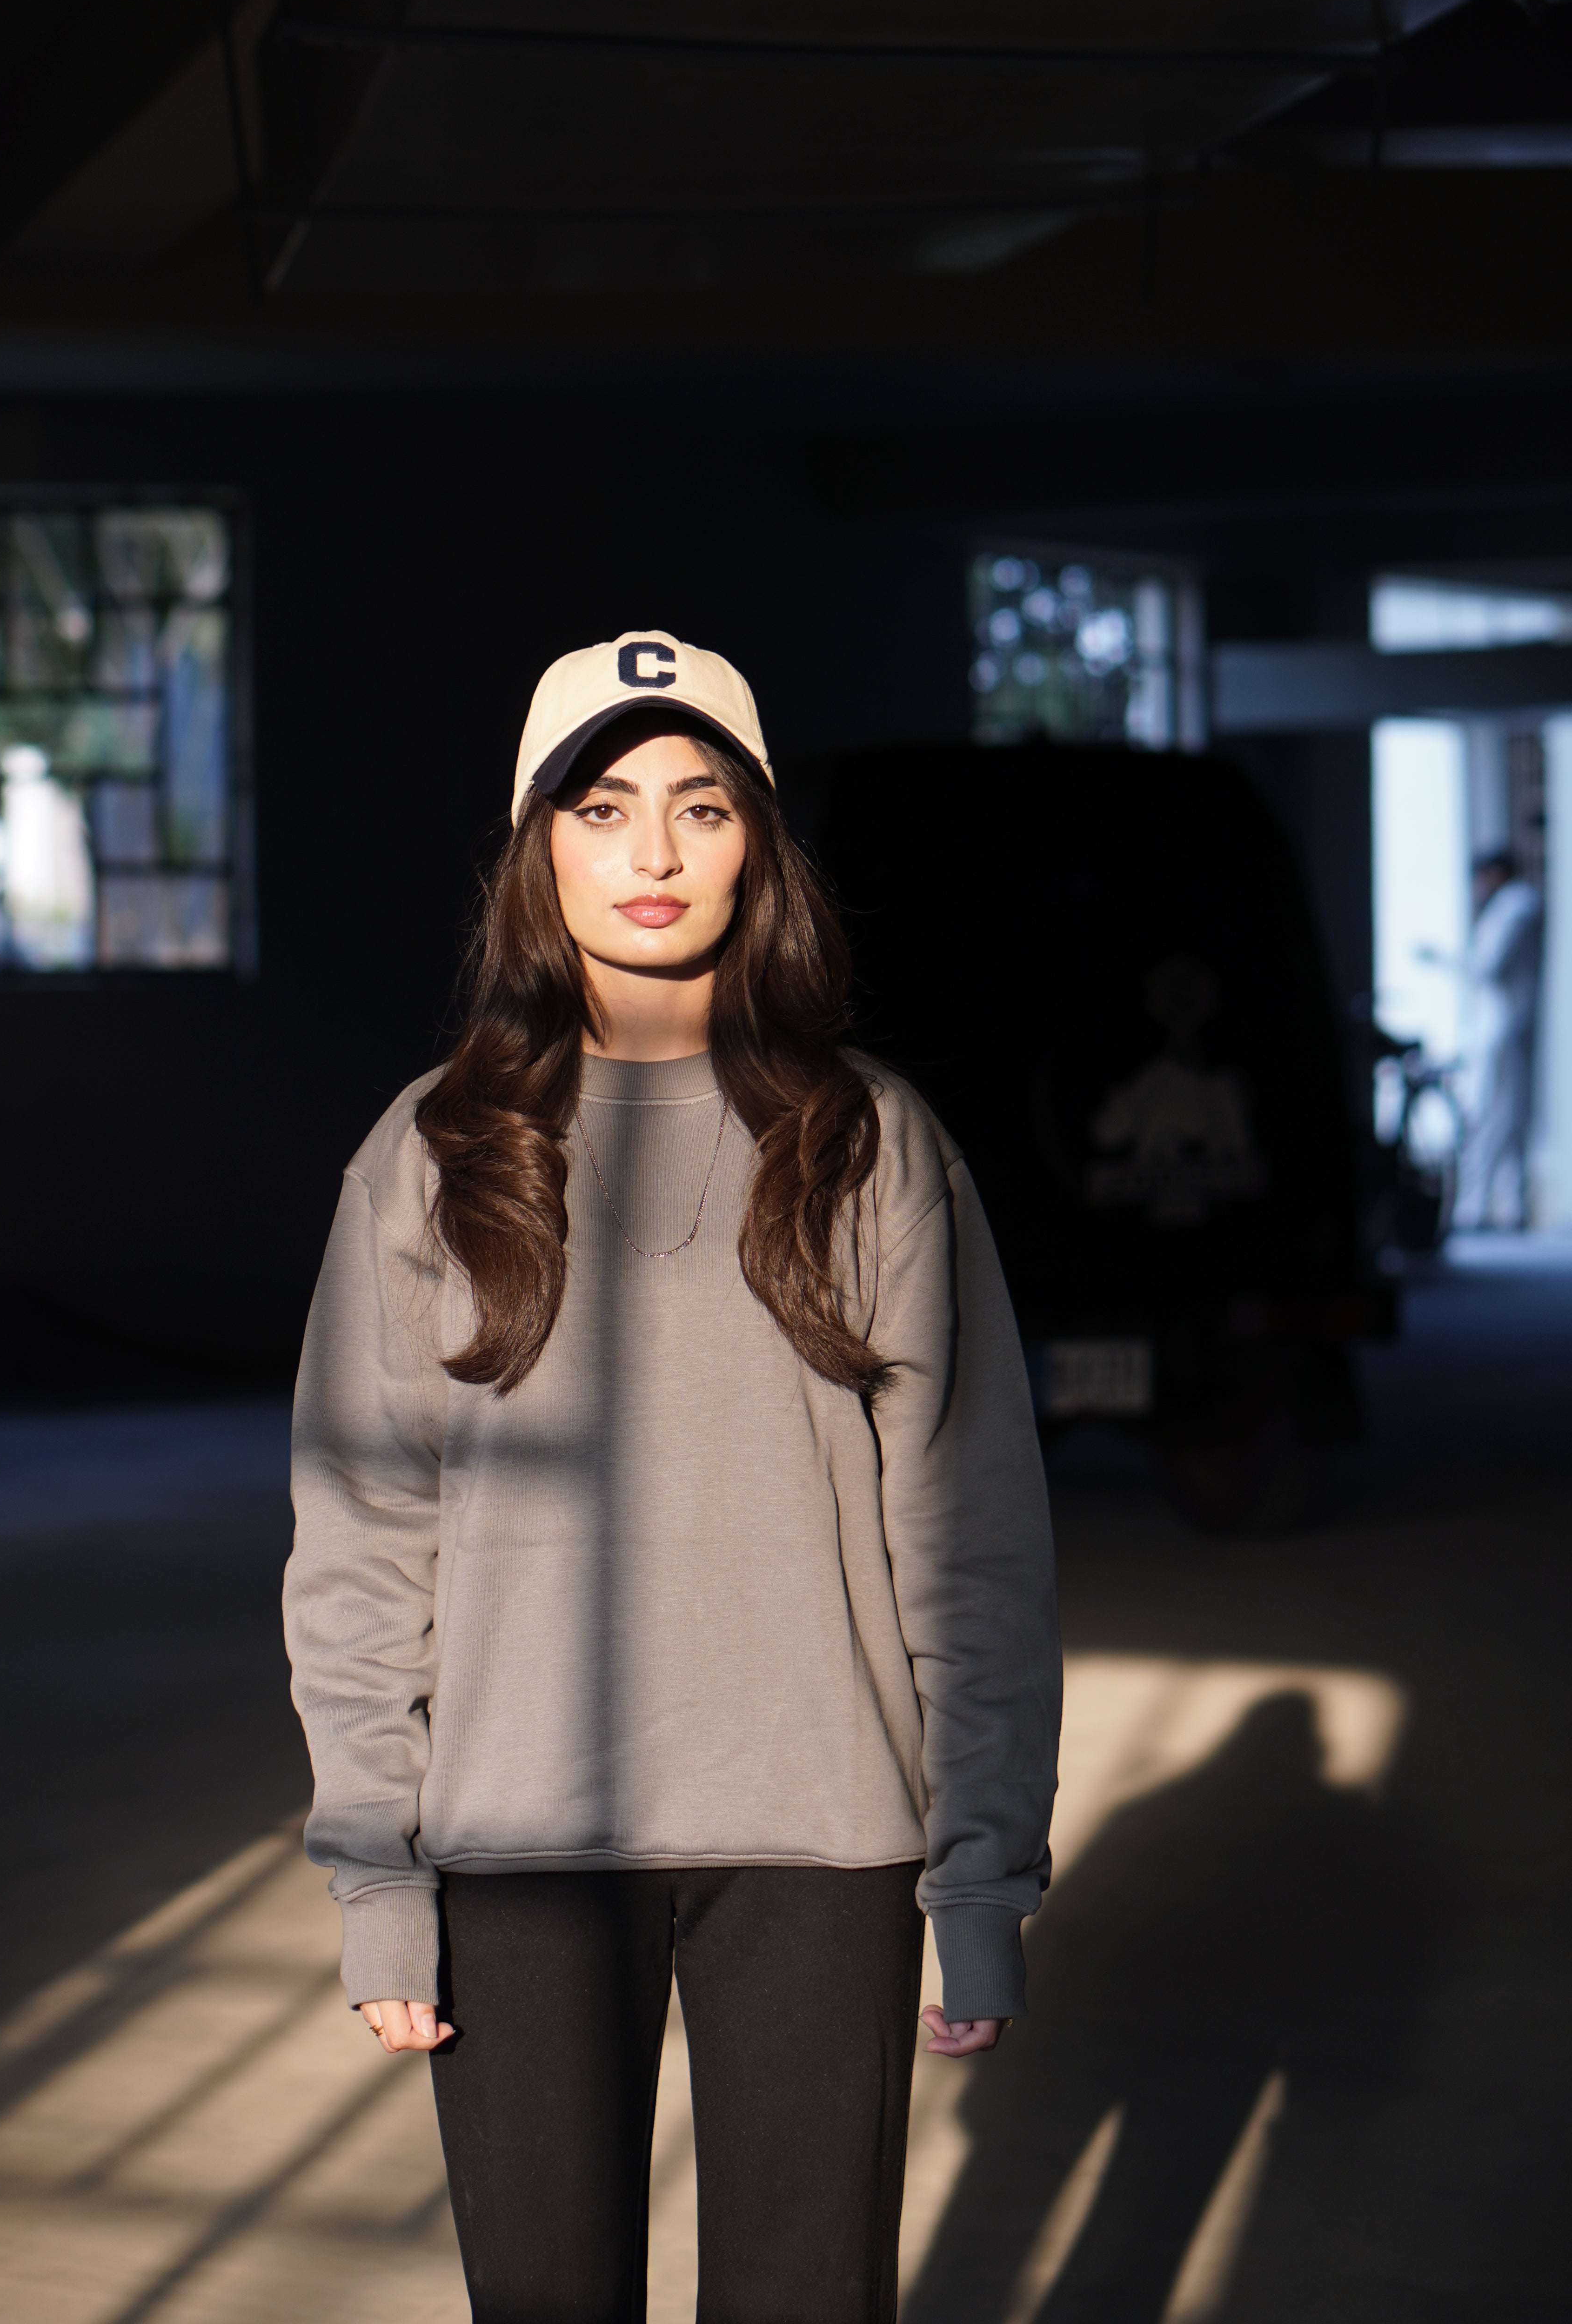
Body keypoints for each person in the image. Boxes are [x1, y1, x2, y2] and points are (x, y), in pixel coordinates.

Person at [283, 630, 1062, 2323]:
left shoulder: (870, 1139)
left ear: (759, 848)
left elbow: (972, 1526)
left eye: (703, 806)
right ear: (535, 849)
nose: (652, 852)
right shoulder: (429, 1150)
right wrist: (375, 1874)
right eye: (605, 803)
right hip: (516, 1850)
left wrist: (982, 1873)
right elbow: (362, 1534)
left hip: (824, 1843)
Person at [1452, 847, 1544, 1231]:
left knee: (1496, 1117)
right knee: (1506, 1117)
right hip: (1506, 1026)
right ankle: (1503, 1205)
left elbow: (1487, 967)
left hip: (1504, 1027)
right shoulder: (1516, 907)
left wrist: (1446, 960)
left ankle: (1481, 1207)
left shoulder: (1516, 907)